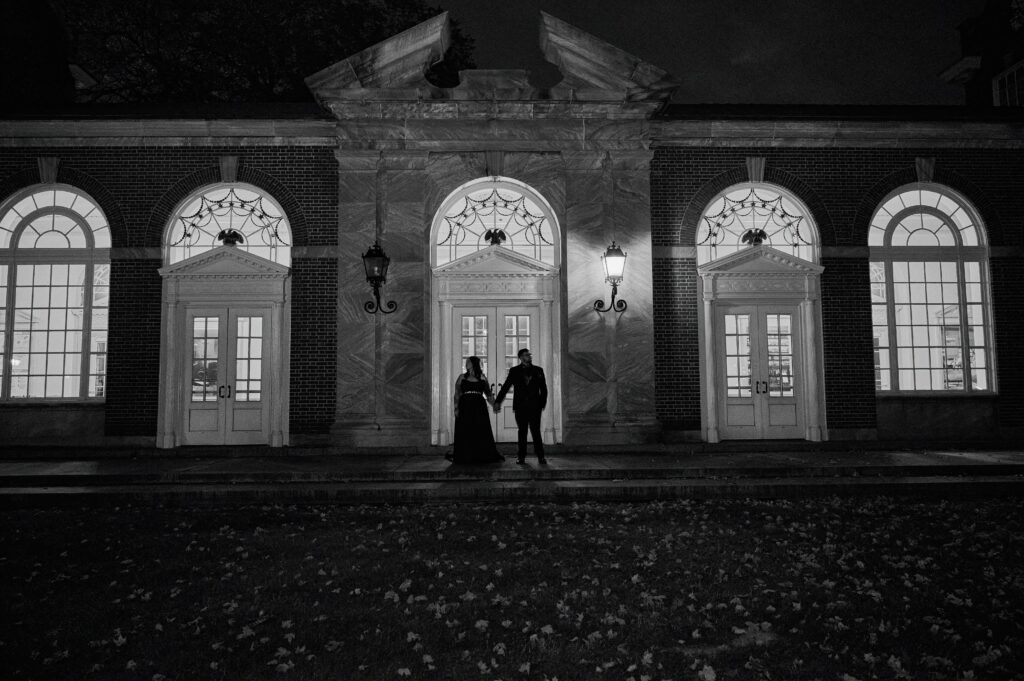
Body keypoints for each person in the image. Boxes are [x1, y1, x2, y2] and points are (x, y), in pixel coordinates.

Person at [493, 348, 547, 465]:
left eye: (529, 354)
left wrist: (541, 404)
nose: (529, 356)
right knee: (522, 431)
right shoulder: (514, 371)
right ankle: (521, 457)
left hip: (534, 406)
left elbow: (544, 389)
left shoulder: (539, 370)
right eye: (527, 355)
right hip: (520, 406)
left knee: (535, 431)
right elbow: (506, 387)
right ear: (521, 357)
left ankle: (541, 456)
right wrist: (497, 401)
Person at [448, 356, 504, 464]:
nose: (466, 363)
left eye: (468, 362)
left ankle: (481, 454)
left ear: (474, 363)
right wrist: (456, 408)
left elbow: (488, 394)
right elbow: (457, 394)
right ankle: (465, 455)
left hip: (479, 407)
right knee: (465, 429)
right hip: (465, 406)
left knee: (480, 429)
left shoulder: (482, 378)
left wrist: (495, 404)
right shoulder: (461, 377)